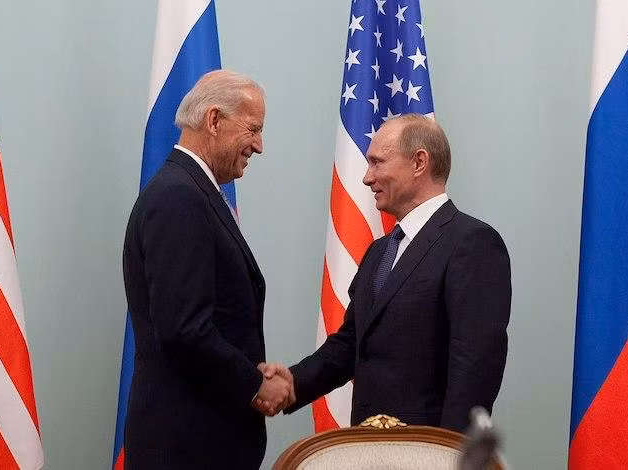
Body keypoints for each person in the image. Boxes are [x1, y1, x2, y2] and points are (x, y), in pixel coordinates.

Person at [260, 114, 511, 432]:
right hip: (367, 443)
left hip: (426, 447)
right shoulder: (379, 251)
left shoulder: (472, 243)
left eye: (377, 162)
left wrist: (450, 451)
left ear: (419, 162)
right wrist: (294, 382)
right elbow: (351, 344)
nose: (367, 178)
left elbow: (475, 366)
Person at [122, 70, 292, 469]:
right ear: (214, 120)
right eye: (253, 129)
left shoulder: (190, 191)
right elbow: (184, 328)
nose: (260, 146)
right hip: (187, 447)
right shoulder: (179, 198)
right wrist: (255, 384)